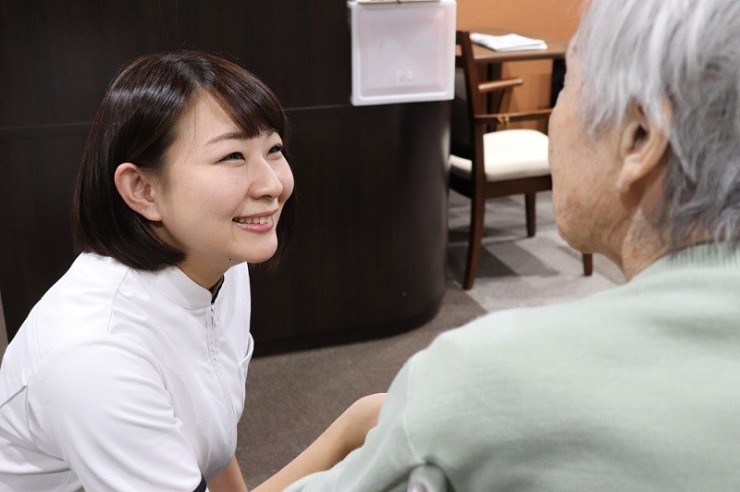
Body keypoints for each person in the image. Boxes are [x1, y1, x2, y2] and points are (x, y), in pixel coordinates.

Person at [286, 0, 740, 490]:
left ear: (639, 137)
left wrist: (351, 427)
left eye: (566, 84)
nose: (553, 119)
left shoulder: (481, 380)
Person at [0, 50, 383, 491]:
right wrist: (348, 433)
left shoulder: (217, 261)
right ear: (143, 190)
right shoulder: (96, 355)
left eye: (274, 149)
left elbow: (209, 443)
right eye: (233, 156)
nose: (273, 185)